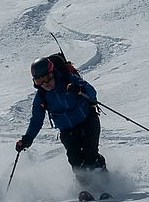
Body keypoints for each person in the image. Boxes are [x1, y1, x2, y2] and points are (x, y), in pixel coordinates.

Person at [16, 55, 107, 192]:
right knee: (75, 161)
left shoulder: (68, 80)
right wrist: (27, 139)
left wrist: (79, 90)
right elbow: (36, 121)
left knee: (90, 155)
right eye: (39, 80)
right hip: (67, 130)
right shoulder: (41, 97)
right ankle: (85, 188)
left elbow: (92, 93)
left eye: (46, 78)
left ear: (53, 73)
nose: (45, 83)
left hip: (88, 121)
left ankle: (104, 182)